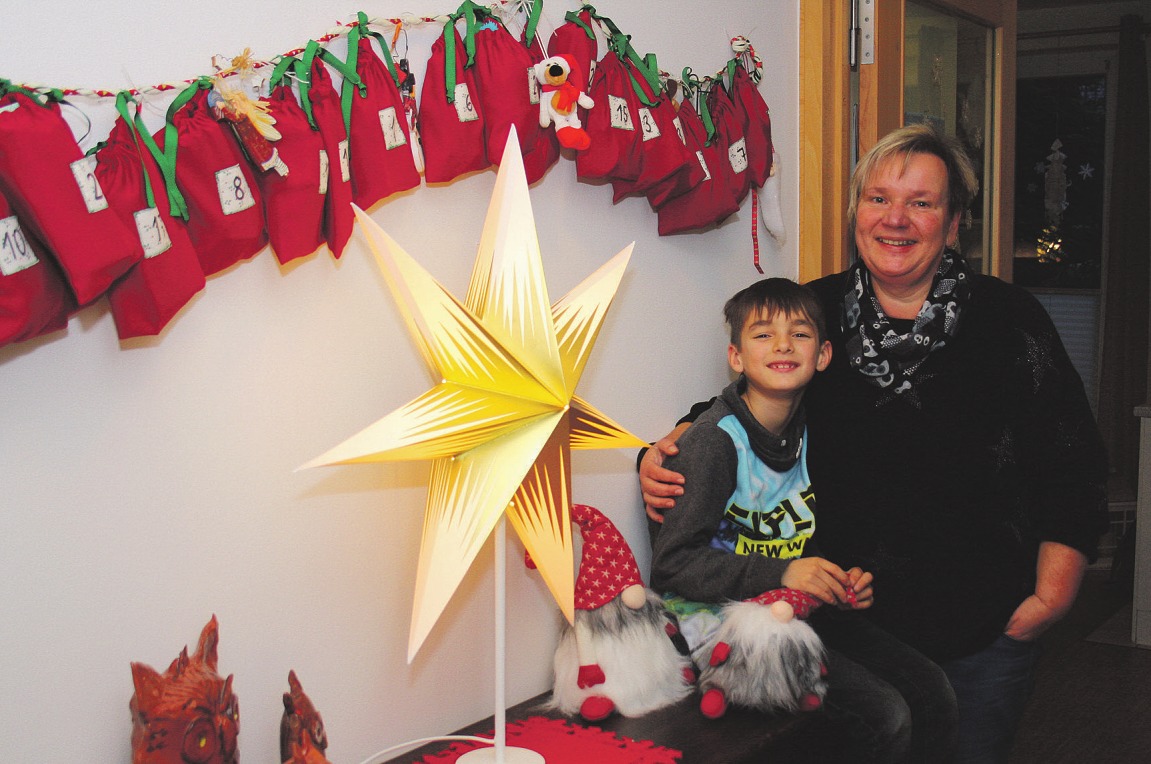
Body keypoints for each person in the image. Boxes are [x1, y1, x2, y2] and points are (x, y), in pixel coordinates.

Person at [641, 124, 1109, 764]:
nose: (896, 218)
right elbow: (745, 405)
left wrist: (1051, 598)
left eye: (922, 202)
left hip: (982, 627)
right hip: (840, 625)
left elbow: (1074, 462)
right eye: (878, 198)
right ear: (856, 213)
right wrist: (663, 452)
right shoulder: (814, 310)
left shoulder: (1009, 319)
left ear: (953, 224)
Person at [649, 276, 957, 763]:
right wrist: (784, 572)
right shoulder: (714, 443)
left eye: (799, 333)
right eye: (763, 334)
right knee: (887, 714)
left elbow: (805, 533)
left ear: (824, 354)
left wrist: (840, 578)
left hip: (792, 605)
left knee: (933, 688)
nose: (783, 345)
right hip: (724, 629)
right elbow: (672, 565)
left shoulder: (811, 429)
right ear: (736, 357)